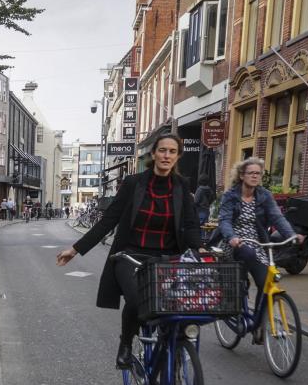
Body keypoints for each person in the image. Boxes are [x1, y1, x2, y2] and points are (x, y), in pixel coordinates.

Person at [56, 134, 202, 369]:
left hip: (167, 256)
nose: (166, 155)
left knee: (178, 305)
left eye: (172, 151)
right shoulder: (134, 183)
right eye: (162, 150)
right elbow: (109, 220)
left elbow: (191, 222)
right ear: (153, 154)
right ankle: (125, 344)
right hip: (130, 255)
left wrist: (197, 250)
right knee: (136, 300)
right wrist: (75, 249)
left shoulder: (181, 186)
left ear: (177, 156)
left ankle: (170, 348)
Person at [217, 157, 305, 342]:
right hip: (234, 243)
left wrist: (291, 235)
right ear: (242, 175)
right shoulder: (231, 195)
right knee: (244, 259)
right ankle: (238, 299)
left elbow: (277, 217)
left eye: (258, 173)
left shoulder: (264, 195)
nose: (255, 176)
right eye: (251, 173)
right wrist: (231, 237)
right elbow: (224, 220)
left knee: (267, 281)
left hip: (258, 243)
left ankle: (258, 323)